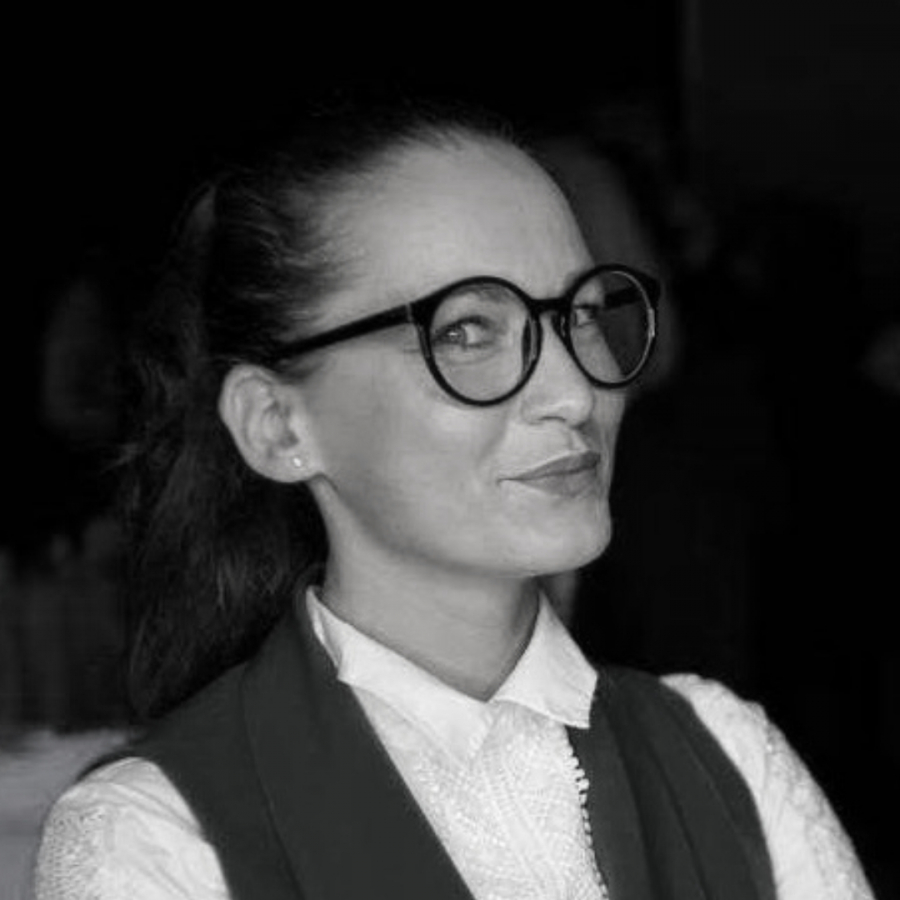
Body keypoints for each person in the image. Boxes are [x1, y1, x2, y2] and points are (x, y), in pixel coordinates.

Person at [33, 95, 875, 900]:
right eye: (468, 331)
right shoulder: (162, 835)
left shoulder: (724, 757)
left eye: (581, 315)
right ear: (278, 425)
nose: (573, 392)